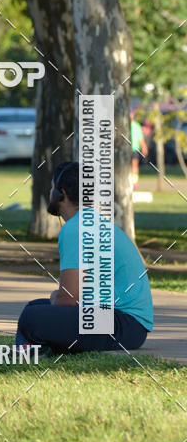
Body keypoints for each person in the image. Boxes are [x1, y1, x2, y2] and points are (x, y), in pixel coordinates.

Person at [16, 161, 153, 353]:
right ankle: (35, 350)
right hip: (128, 326)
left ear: (60, 193)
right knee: (36, 307)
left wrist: (56, 298)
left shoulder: (75, 228)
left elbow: (69, 299)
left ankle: (28, 353)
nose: (50, 192)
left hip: (121, 325)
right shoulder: (91, 222)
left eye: (52, 187)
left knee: (31, 317)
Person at [130, 114, 148, 186]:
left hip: (134, 149)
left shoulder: (136, 126)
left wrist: (144, 147)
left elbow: (140, 139)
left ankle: (134, 182)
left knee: (134, 166)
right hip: (126, 150)